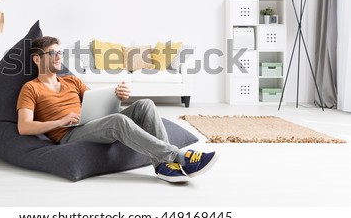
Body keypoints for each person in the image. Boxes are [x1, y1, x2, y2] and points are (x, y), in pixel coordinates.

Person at [17, 36, 218, 183]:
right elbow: (24, 127)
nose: (59, 57)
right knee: (118, 122)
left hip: (89, 123)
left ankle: (163, 167)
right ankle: (179, 156)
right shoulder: (31, 88)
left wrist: (117, 98)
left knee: (145, 104)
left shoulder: (71, 80)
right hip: (68, 134)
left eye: (60, 52)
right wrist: (60, 122)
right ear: (37, 59)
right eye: (52, 53)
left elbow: (95, 104)